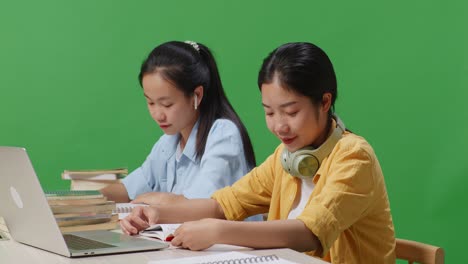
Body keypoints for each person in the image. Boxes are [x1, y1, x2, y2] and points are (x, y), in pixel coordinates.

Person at [120, 42, 396, 263]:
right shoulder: (284, 157)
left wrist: (218, 231)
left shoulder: (354, 156)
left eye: (291, 112)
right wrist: (156, 214)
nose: (279, 125)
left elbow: (309, 233)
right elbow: (222, 205)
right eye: (269, 112)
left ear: (324, 102)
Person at [101, 41, 256, 205]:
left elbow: (199, 206)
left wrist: (153, 200)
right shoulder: (169, 142)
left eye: (167, 104)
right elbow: (130, 189)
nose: (157, 115)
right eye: (150, 103)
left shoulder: (223, 135)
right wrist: (83, 200)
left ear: (197, 95)